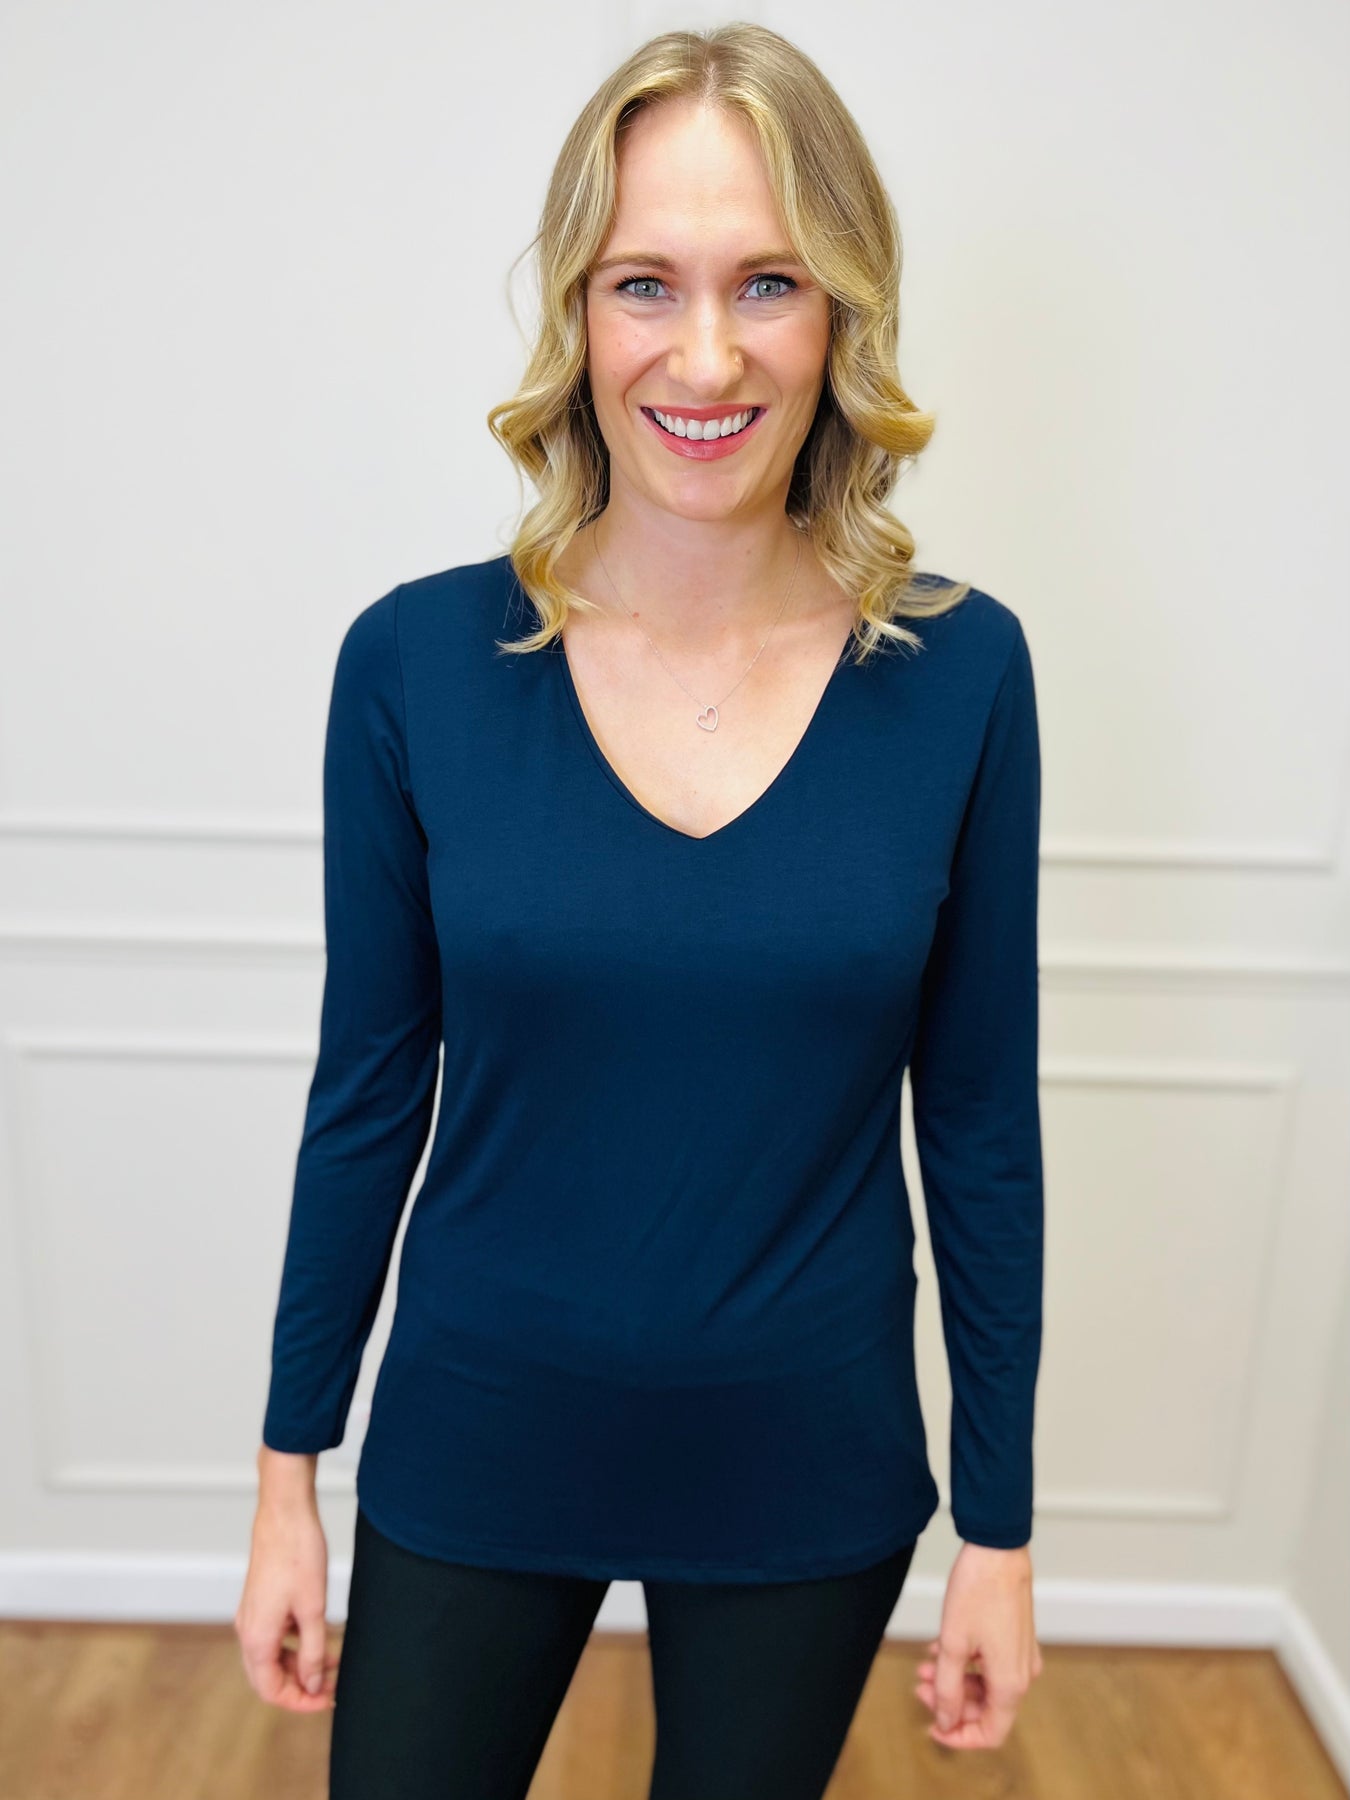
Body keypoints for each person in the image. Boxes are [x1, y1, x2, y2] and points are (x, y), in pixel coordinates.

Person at [234, 22, 1045, 1797]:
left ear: (839, 315)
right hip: (476, 1433)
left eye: (766, 282)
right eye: (643, 284)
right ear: (577, 316)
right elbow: (366, 1092)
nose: (705, 352)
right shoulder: (412, 664)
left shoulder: (962, 674)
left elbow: (979, 1123)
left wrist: (998, 1528)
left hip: (803, 1459)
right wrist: (289, 1476)